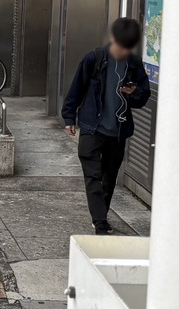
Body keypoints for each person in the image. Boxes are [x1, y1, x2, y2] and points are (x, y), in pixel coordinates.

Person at [61, 16, 153, 235]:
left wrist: (134, 94)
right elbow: (77, 89)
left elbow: (144, 96)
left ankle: (100, 215)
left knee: (109, 177)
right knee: (92, 174)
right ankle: (100, 220)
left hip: (118, 131)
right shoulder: (94, 58)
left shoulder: (134, 64)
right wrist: (68, 117)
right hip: (93, 127)